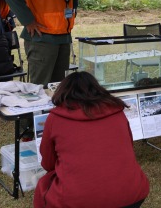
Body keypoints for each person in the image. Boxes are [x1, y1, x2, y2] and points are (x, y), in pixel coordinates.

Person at [34, 71, 149, 208]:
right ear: (97, 89)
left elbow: (48, 163)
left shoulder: (55, 118)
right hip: (132, 194)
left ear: (63, 93)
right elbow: (128, 147)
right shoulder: (117, 112)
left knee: (44, 185)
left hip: (79, 201)